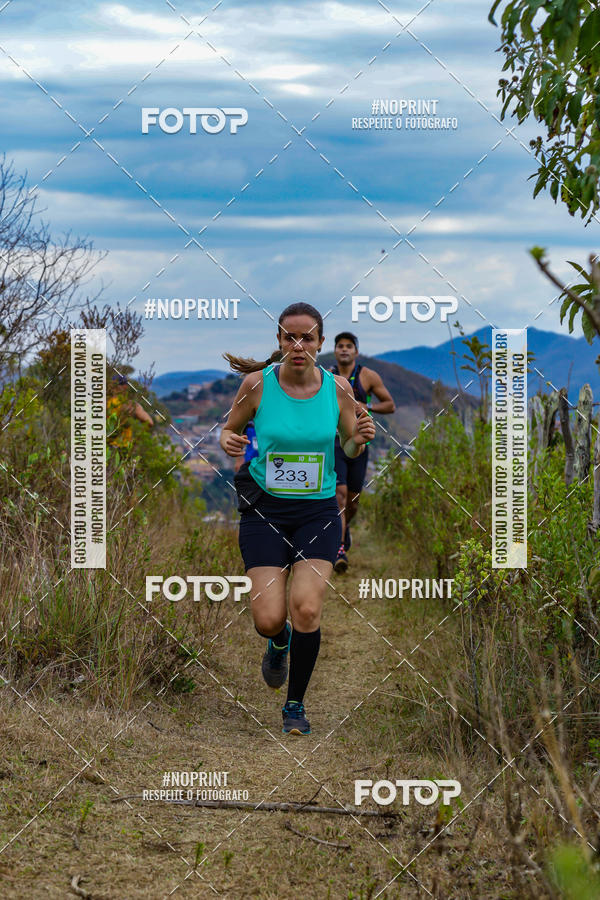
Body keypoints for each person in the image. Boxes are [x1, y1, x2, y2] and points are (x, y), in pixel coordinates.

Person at [220, 303, 375, 735]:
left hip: (318, 512)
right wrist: (231, 441)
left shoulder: (339, 389)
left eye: (307, 337)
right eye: (290, 337)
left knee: (306, 608)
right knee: (268, 619)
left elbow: (347, 448)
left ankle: (295, 705)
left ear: (321, 344)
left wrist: (358, 441)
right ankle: (279, 641)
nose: (298, 345)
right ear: (279, 342)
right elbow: (229, 429)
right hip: (265, 511)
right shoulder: (257, 385)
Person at [330, 332, 395, 573]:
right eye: (340, 346)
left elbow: (390, 404)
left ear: (356, 352)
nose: (344, 350)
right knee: (340, 495)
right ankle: (339, 550)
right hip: (335, 442)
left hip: (360, 445)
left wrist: (368, 406)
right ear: (334, 350)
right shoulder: (327, 376)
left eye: (349, 346)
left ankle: (343, 530)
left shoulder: (367, 376)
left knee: (353, 502)